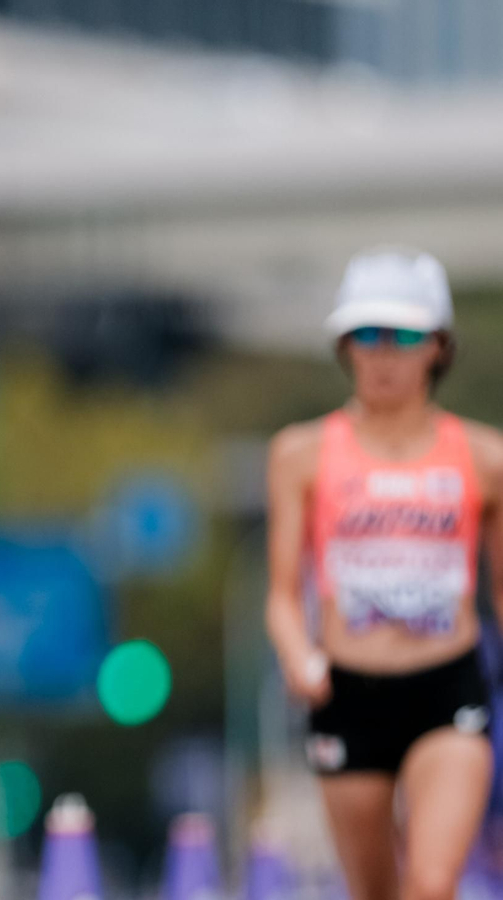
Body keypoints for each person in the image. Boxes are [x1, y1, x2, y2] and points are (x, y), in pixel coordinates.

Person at [267, 248, 503, 900]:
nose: (383, 354)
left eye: (402, 336)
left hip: (447, 690)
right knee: (375, 891)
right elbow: (283, 597)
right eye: (365, 335)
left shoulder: (485, 459)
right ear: (345, 346)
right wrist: (297, 657)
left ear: (438, 347)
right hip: (345, 698)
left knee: (428, 885)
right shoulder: (301, 454)